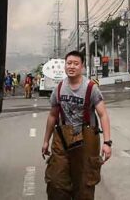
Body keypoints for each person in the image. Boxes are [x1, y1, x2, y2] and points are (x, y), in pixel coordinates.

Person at [42, 50, 111, 200]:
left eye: (76, 63)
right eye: (69, 63)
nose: (72, 66)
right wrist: (46, 140)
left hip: (87, 137)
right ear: (65, 66)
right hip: (62, 137)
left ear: (82, 67)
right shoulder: (59, 88)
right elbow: (53, 115)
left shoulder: (91, 88)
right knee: (55, 181)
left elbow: (103, 114)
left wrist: (107, 142)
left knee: (84, 184)